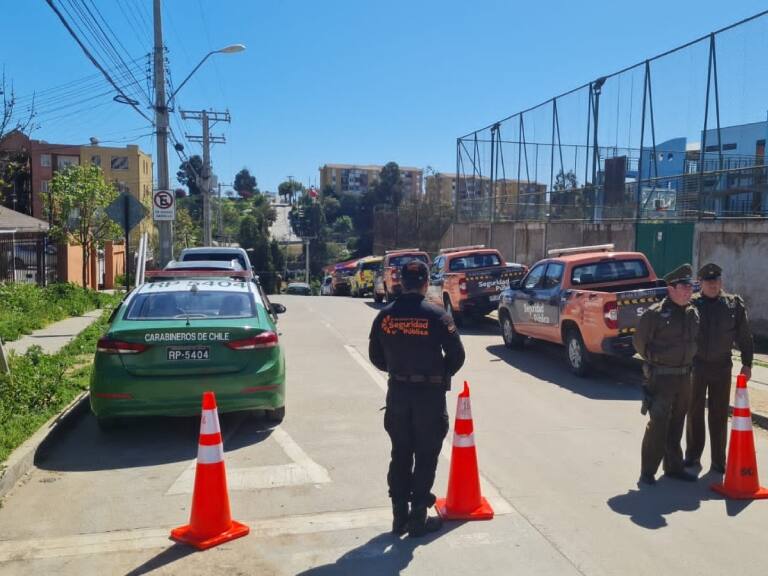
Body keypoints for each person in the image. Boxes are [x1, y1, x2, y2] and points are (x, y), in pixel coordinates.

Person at [369, 259, 465, 537]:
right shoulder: (437, 316)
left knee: (400, 454)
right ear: (425, 283)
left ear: (400, 282)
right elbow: (457, 356)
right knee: (426, 456)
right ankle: (418, 518)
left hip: (398, 394)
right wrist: (438, 376)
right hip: (429, 398)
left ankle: (399, 517)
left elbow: (376, 357)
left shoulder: (384, 316)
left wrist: (399, 370)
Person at [633, 263, 700, 486]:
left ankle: (673, 466)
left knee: (677, 422)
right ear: (671, 288)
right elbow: (639, 343)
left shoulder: (692, 312)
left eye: (690, 287)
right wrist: (656, 360)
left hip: (684, 377)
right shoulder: (655, 314)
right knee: (659, 423)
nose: (689, 291)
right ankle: (648, 470)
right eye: (684, 286)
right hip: (662, 377)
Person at [684, 263, 753, 474]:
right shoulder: (691, 305)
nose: (713, 285)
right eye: (708, 281)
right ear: (701, 283)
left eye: (716, 281)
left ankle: (718, 460)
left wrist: (747, 363)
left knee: (719, 414)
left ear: (721, 282)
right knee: (694, 412)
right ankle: (693, 456)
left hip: (722, 367)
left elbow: (744, 336)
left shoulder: (733, 305)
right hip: (696, 366)